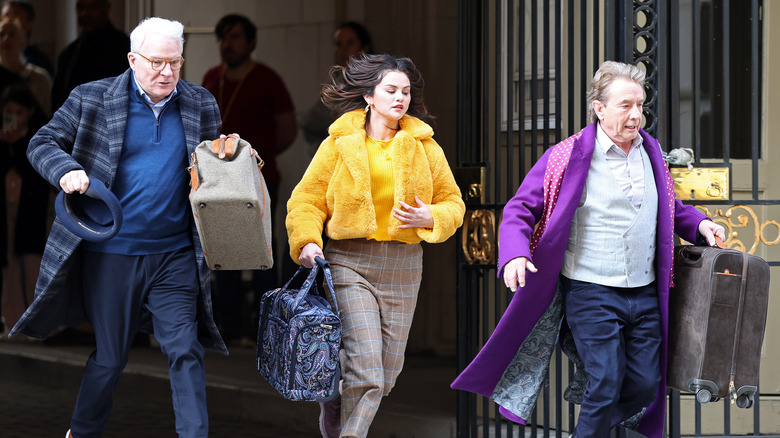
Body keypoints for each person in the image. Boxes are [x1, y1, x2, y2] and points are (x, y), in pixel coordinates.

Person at [451, 61, 726, 438]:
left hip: (645, 293)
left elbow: (670, 207)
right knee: (607, 378)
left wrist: (700, 224)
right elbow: (520, 208)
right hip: (590, 291)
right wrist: (515, 253)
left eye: (640, 105)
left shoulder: (652, 154)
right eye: (625, 105)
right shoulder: (567, 157)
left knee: (647, 383)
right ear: (599, 108)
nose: (635, 115)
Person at [8, 17, 227, 438]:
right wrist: (67, 171)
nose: (167, 73)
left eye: (175, 63)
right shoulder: (91, 98)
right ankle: (83, 431)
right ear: (132, 59)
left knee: (185, 348)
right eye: (157, 63)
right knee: (110, 358)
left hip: (175, 254)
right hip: (112, 254)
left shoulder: (201, 103)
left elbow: (210, 171)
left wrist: (229, 156)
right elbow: (41, 142)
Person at [287, 53, 465, 438]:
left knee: (386, 373)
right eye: (390, 90)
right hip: (350, 262)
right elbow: (306, 201)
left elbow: (454, 203)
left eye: (405, 91)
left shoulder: (424, 146)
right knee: (367, 369)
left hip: (404, 265)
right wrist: (306, 242)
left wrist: (430, 217)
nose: (400, 98)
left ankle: (337, 399)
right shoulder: (339, 145)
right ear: (369, 95)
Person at [202, 13, 297, 345]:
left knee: (261, 251)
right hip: (219, 179)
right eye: (224, 38)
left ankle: (263, 325)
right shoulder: (212, 78)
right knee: (224, 250)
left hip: (259, 177)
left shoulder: (267, 79)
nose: (228, 44)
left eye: (236, 37)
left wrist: (261, 154)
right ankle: (229, 322)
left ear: (252, 42)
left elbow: (287, 131)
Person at [1, 84, 49, 336]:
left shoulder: (37, 136)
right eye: (8, 111)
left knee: (32, 266)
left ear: (29, 112)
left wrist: (18, 143)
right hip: (8, 208)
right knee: (8, 266)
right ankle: (12, 321)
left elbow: (34, 172)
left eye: (18, 111)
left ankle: (37, 325)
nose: (13, 116)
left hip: (30, 211)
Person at [300, 21, 373, 153]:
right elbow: (310, 124)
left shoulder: (379, 82)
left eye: (350, 43)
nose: (344, 50)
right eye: (339, 44)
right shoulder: (336, 85)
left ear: (364, 47)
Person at [51, 0, 130, 112]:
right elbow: (59, 100)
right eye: (81, 7)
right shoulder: (69, 53)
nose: (85, 13)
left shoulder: (125, 48)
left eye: (93, 7)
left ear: (106, 8)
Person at [0, 16, 51, 115]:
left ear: (23, 41)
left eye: (12, 35)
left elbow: (48, 113)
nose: (6, 39)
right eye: (1, 34)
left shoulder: (40, 78)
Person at [0, 0, 54, 76]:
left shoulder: (40, 63)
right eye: (5, 16)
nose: (8, 21)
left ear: (29, 23)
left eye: (14, 17)